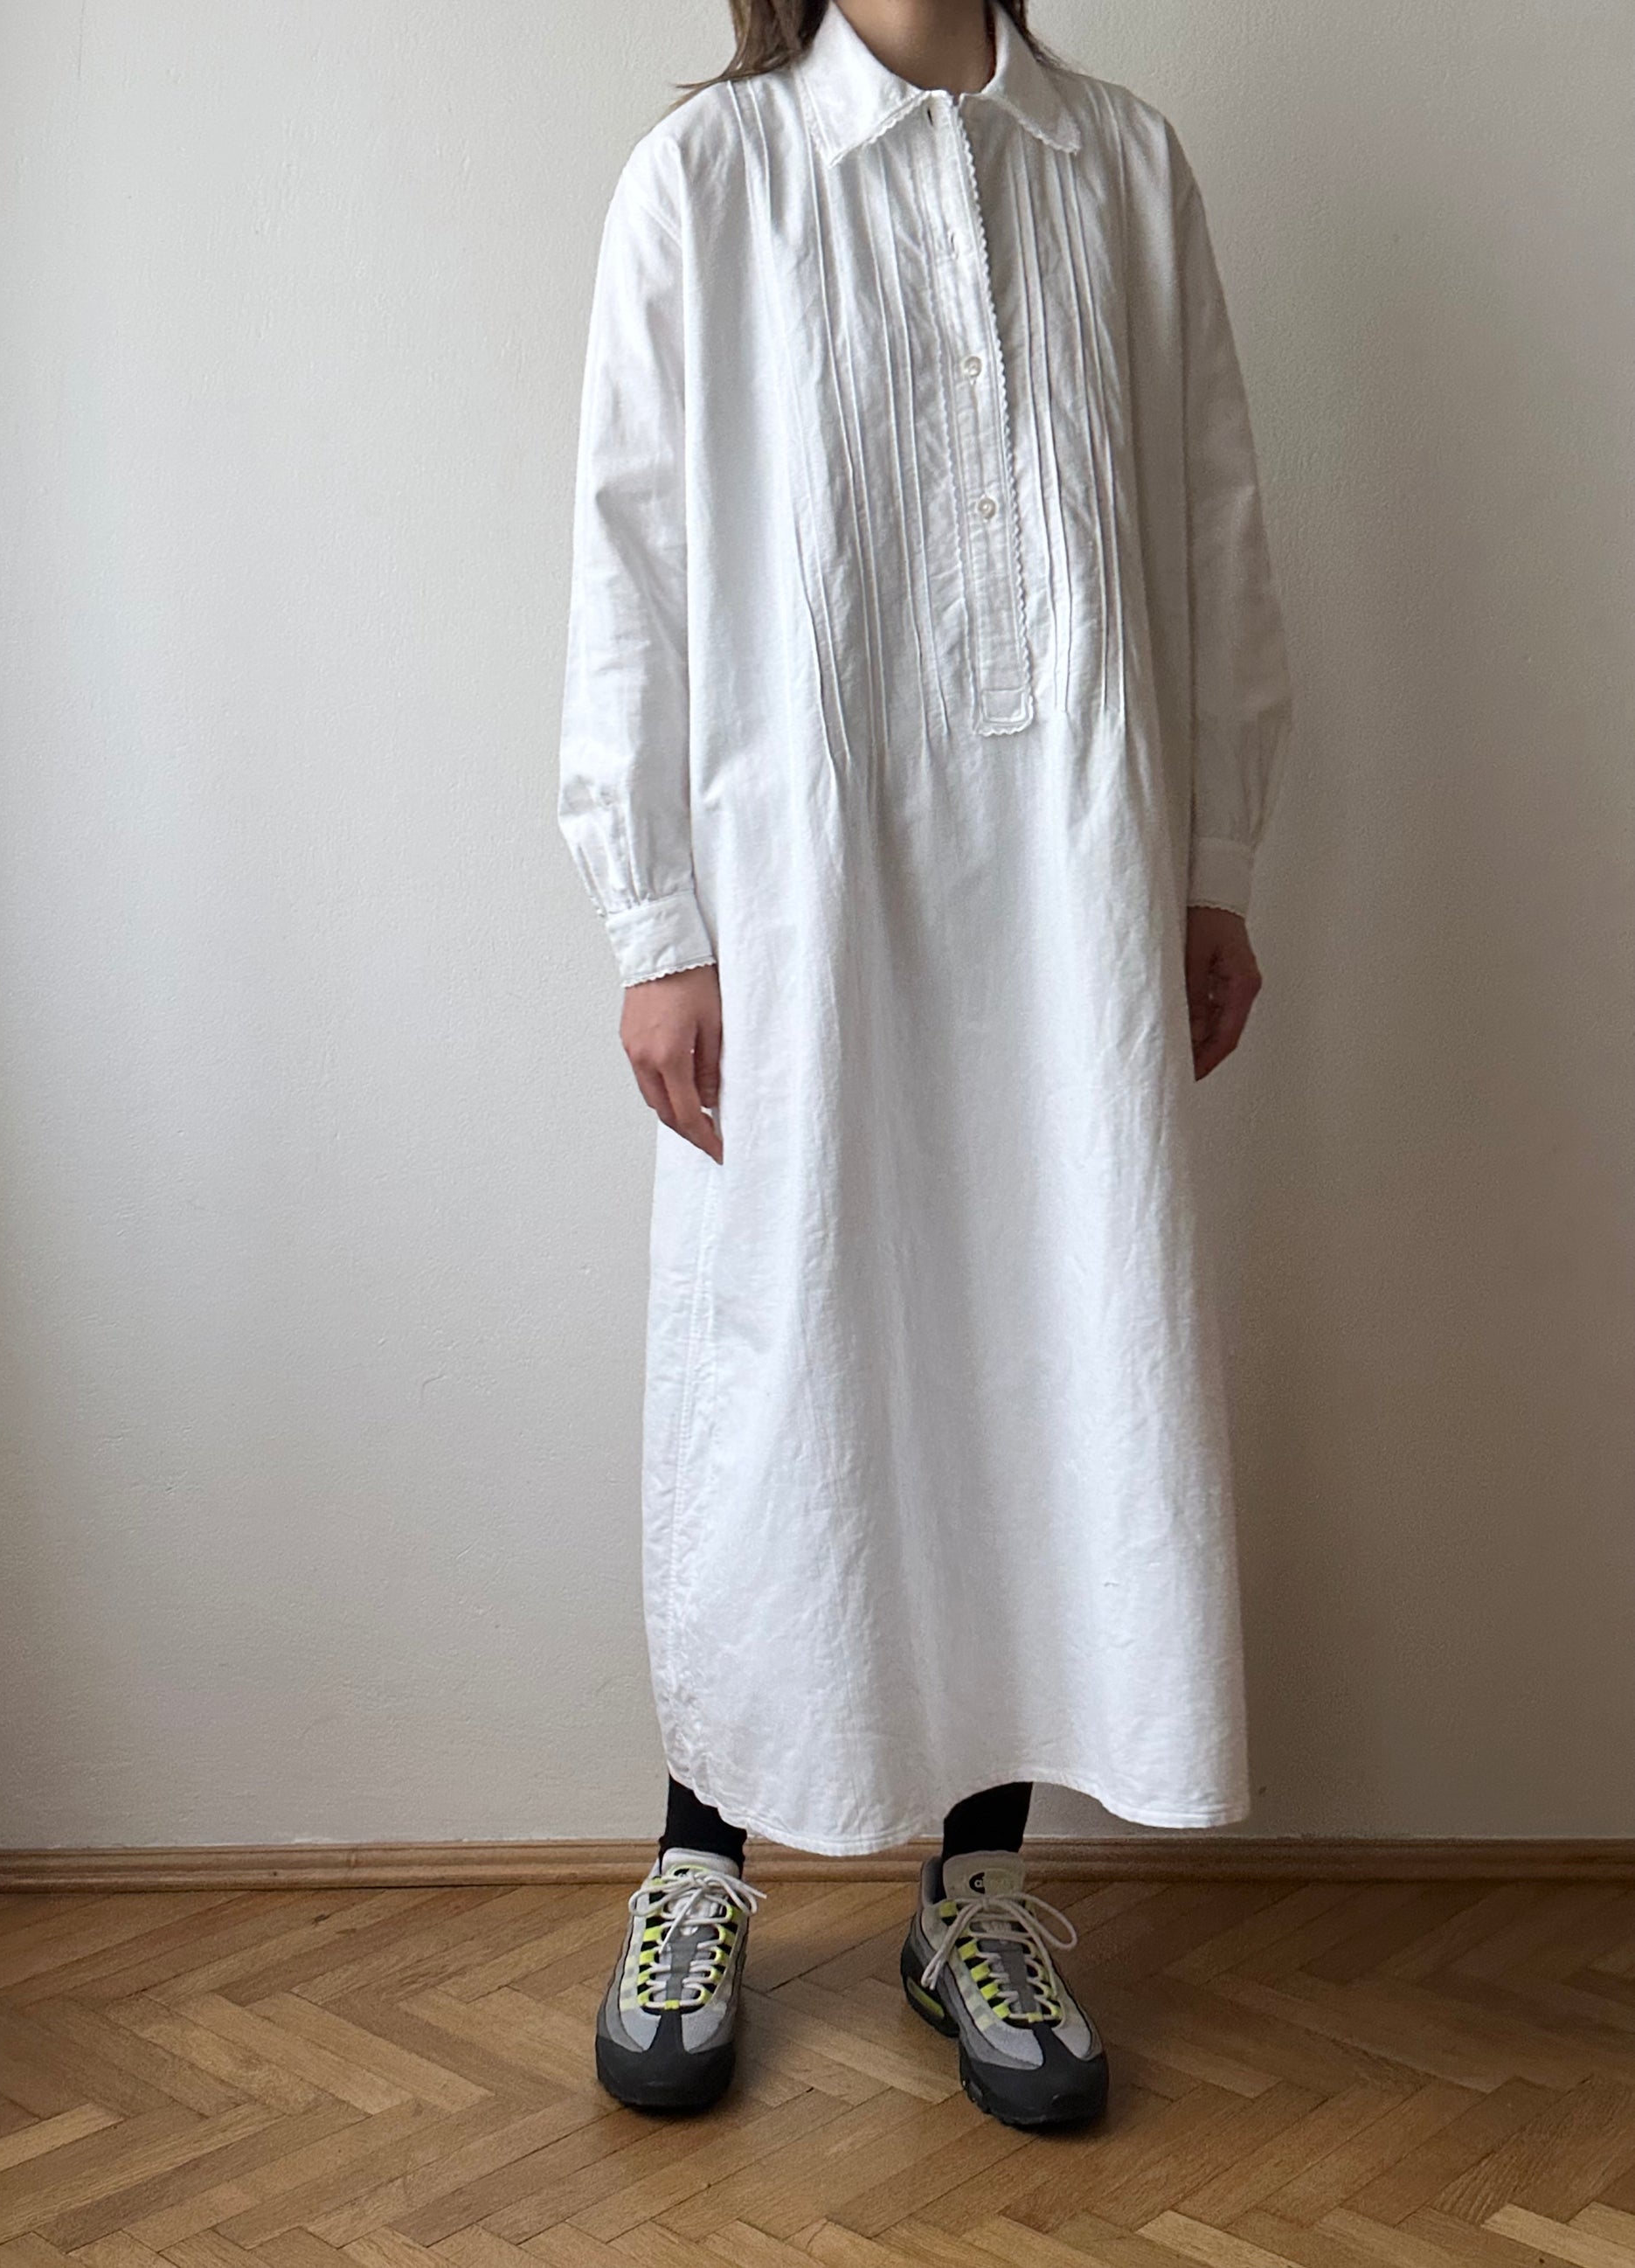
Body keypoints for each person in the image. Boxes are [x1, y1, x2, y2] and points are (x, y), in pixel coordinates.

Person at [557, 0, 1292, 2128]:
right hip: (803, 882)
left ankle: (974, 1884)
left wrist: (1215, 857)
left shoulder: (1119, 168)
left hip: (1073, 874)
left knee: (1044, 1343)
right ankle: (701, 1860)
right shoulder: (714, 179)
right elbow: (629, 548)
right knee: (776, 1341)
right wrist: (654, 913)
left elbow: (1210, 522)